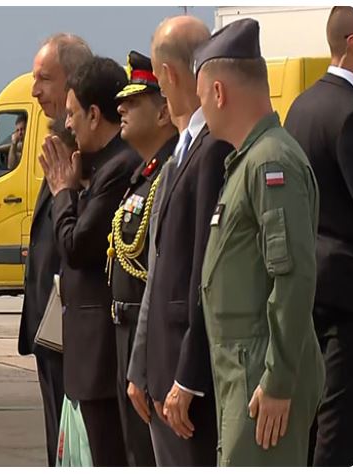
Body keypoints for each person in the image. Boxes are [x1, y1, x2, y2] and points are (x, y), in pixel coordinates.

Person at [195, 18, 325, 466]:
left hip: (262, 374)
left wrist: (278, 380)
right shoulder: (249, 161)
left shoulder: (272, 162)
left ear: (218, 92)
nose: (202, 113)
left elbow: (292, 274)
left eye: (201, 99)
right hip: (246, 370)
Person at [138, 16, 232, 466]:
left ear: (167, 75)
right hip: (163, 371)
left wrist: (188, 376)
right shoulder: (184, 148)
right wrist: (143, 367)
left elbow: (202, 274)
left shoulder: (211, 148)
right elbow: (159, 271)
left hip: (185, 379)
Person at [39, 56, 141, 466]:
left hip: (101, 361)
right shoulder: (102, 167)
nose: (68, 126)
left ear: (95, 115)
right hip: (87, 361)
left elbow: (78, 246)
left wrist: (64, 190)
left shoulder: (119, 168)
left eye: (73, 115)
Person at [283, 7, 353, 466]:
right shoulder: (351, 112)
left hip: (307, 279)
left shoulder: (301, 106)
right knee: (339, 421)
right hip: (346, 287)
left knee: (313, 413)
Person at [18, 33, 93, 467]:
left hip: (73, 334)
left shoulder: (89, 154)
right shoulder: (58, 146)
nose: (35, 90)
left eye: (45, 78)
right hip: (50, 333)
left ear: (75, 81)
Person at [107, 50, 177, 467]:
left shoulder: (170, 172)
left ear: (164, 112)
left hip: (147, 334)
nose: (121, 108)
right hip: (126, 332)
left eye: (133, 102)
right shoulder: (144, 173)